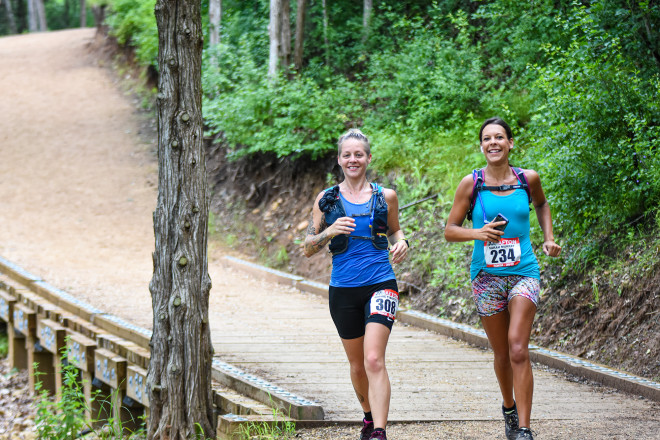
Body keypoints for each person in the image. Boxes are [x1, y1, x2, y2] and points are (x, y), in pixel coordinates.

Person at [444, 117, 561, 440]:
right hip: (486, 277)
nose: (492, 143)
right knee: (501, 353)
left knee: (518, 348)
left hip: (524, 271)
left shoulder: (528, 179)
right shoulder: (472, 183)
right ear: (481, 146)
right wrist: (476, 232)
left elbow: (542, 204)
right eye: (486, 139)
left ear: (510, 143)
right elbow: (449, 231)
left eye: (499, 137)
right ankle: (508, 407)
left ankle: (524, 428)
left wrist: (548, 237)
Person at [304, 128, 409, 440]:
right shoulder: (326, 199)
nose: (353, 159)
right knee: (357, 364)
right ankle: (367, 416)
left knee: (374, 358)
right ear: (339, 160)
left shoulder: (385, 196)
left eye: (358, 154)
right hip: (343, 289)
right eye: (347, 155)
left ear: (368, 158)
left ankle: (379, 431)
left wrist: (402, 243)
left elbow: (395, 231)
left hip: (382, 283)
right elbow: (308, 247)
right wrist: (330, 230)